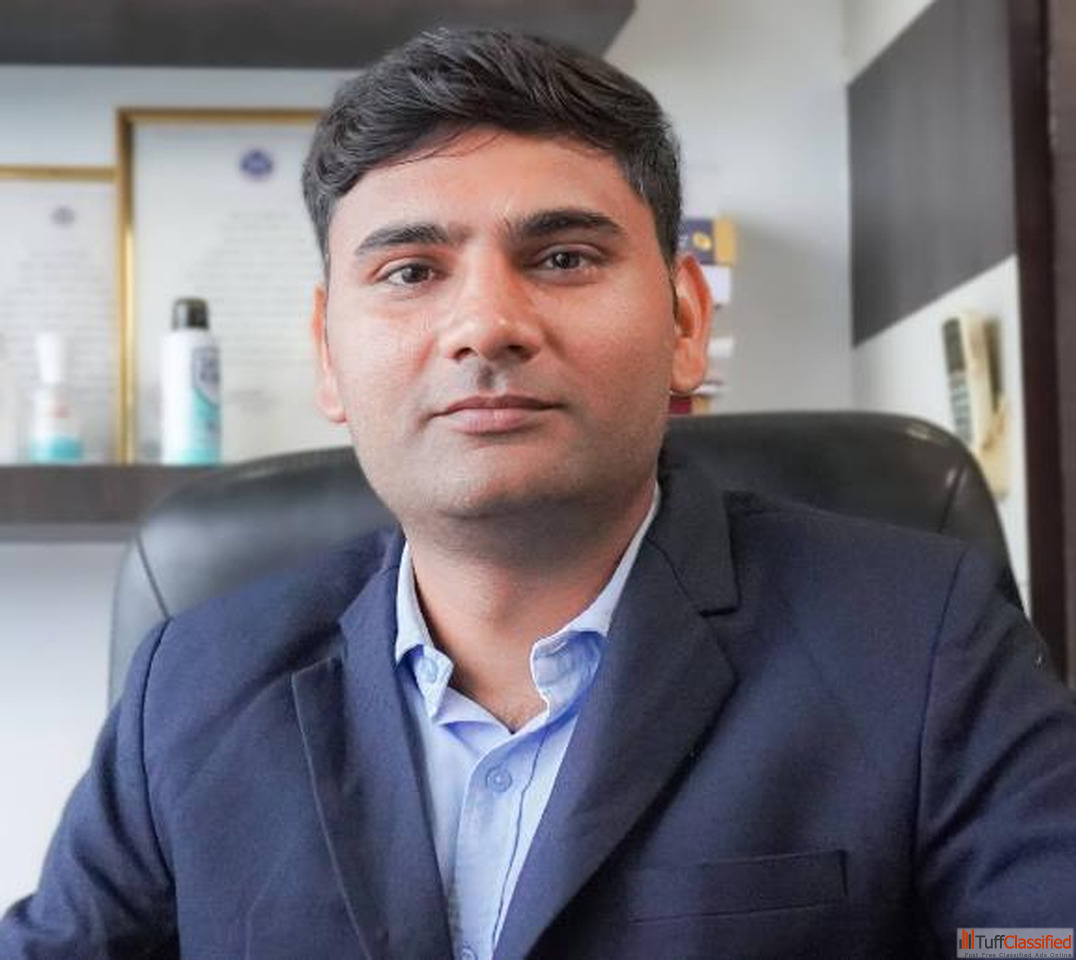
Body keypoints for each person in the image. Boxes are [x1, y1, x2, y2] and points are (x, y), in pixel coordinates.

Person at [2, 26, 1075, 960]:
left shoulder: (923, 638)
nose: (486, 325)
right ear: (328, 353)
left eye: (562, 258)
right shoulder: (189, 689)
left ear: (685, 323)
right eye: (411, 272)